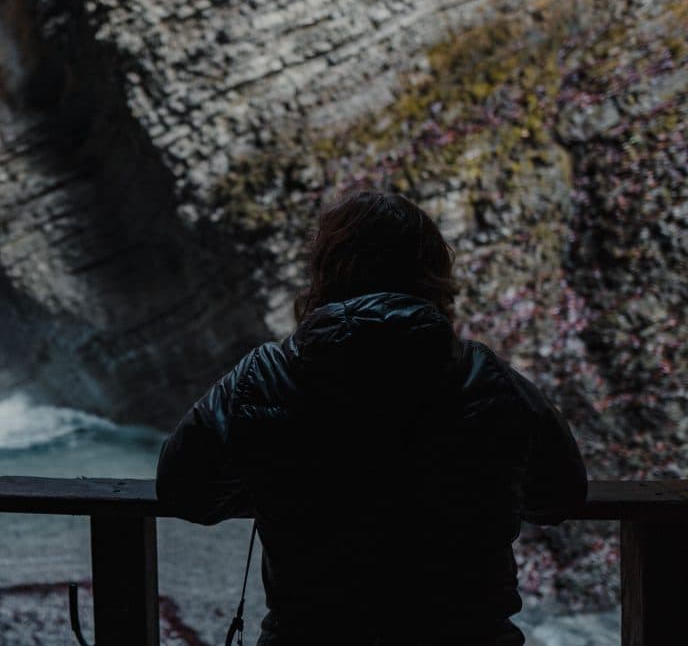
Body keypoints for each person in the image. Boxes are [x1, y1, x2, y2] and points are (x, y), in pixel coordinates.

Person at [156, 190, 587, 645]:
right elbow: (560, 496)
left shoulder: (264, 376)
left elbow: (185, 490)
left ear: (326, 269)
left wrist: (273, 485)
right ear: (432, 273)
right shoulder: (488, 378)